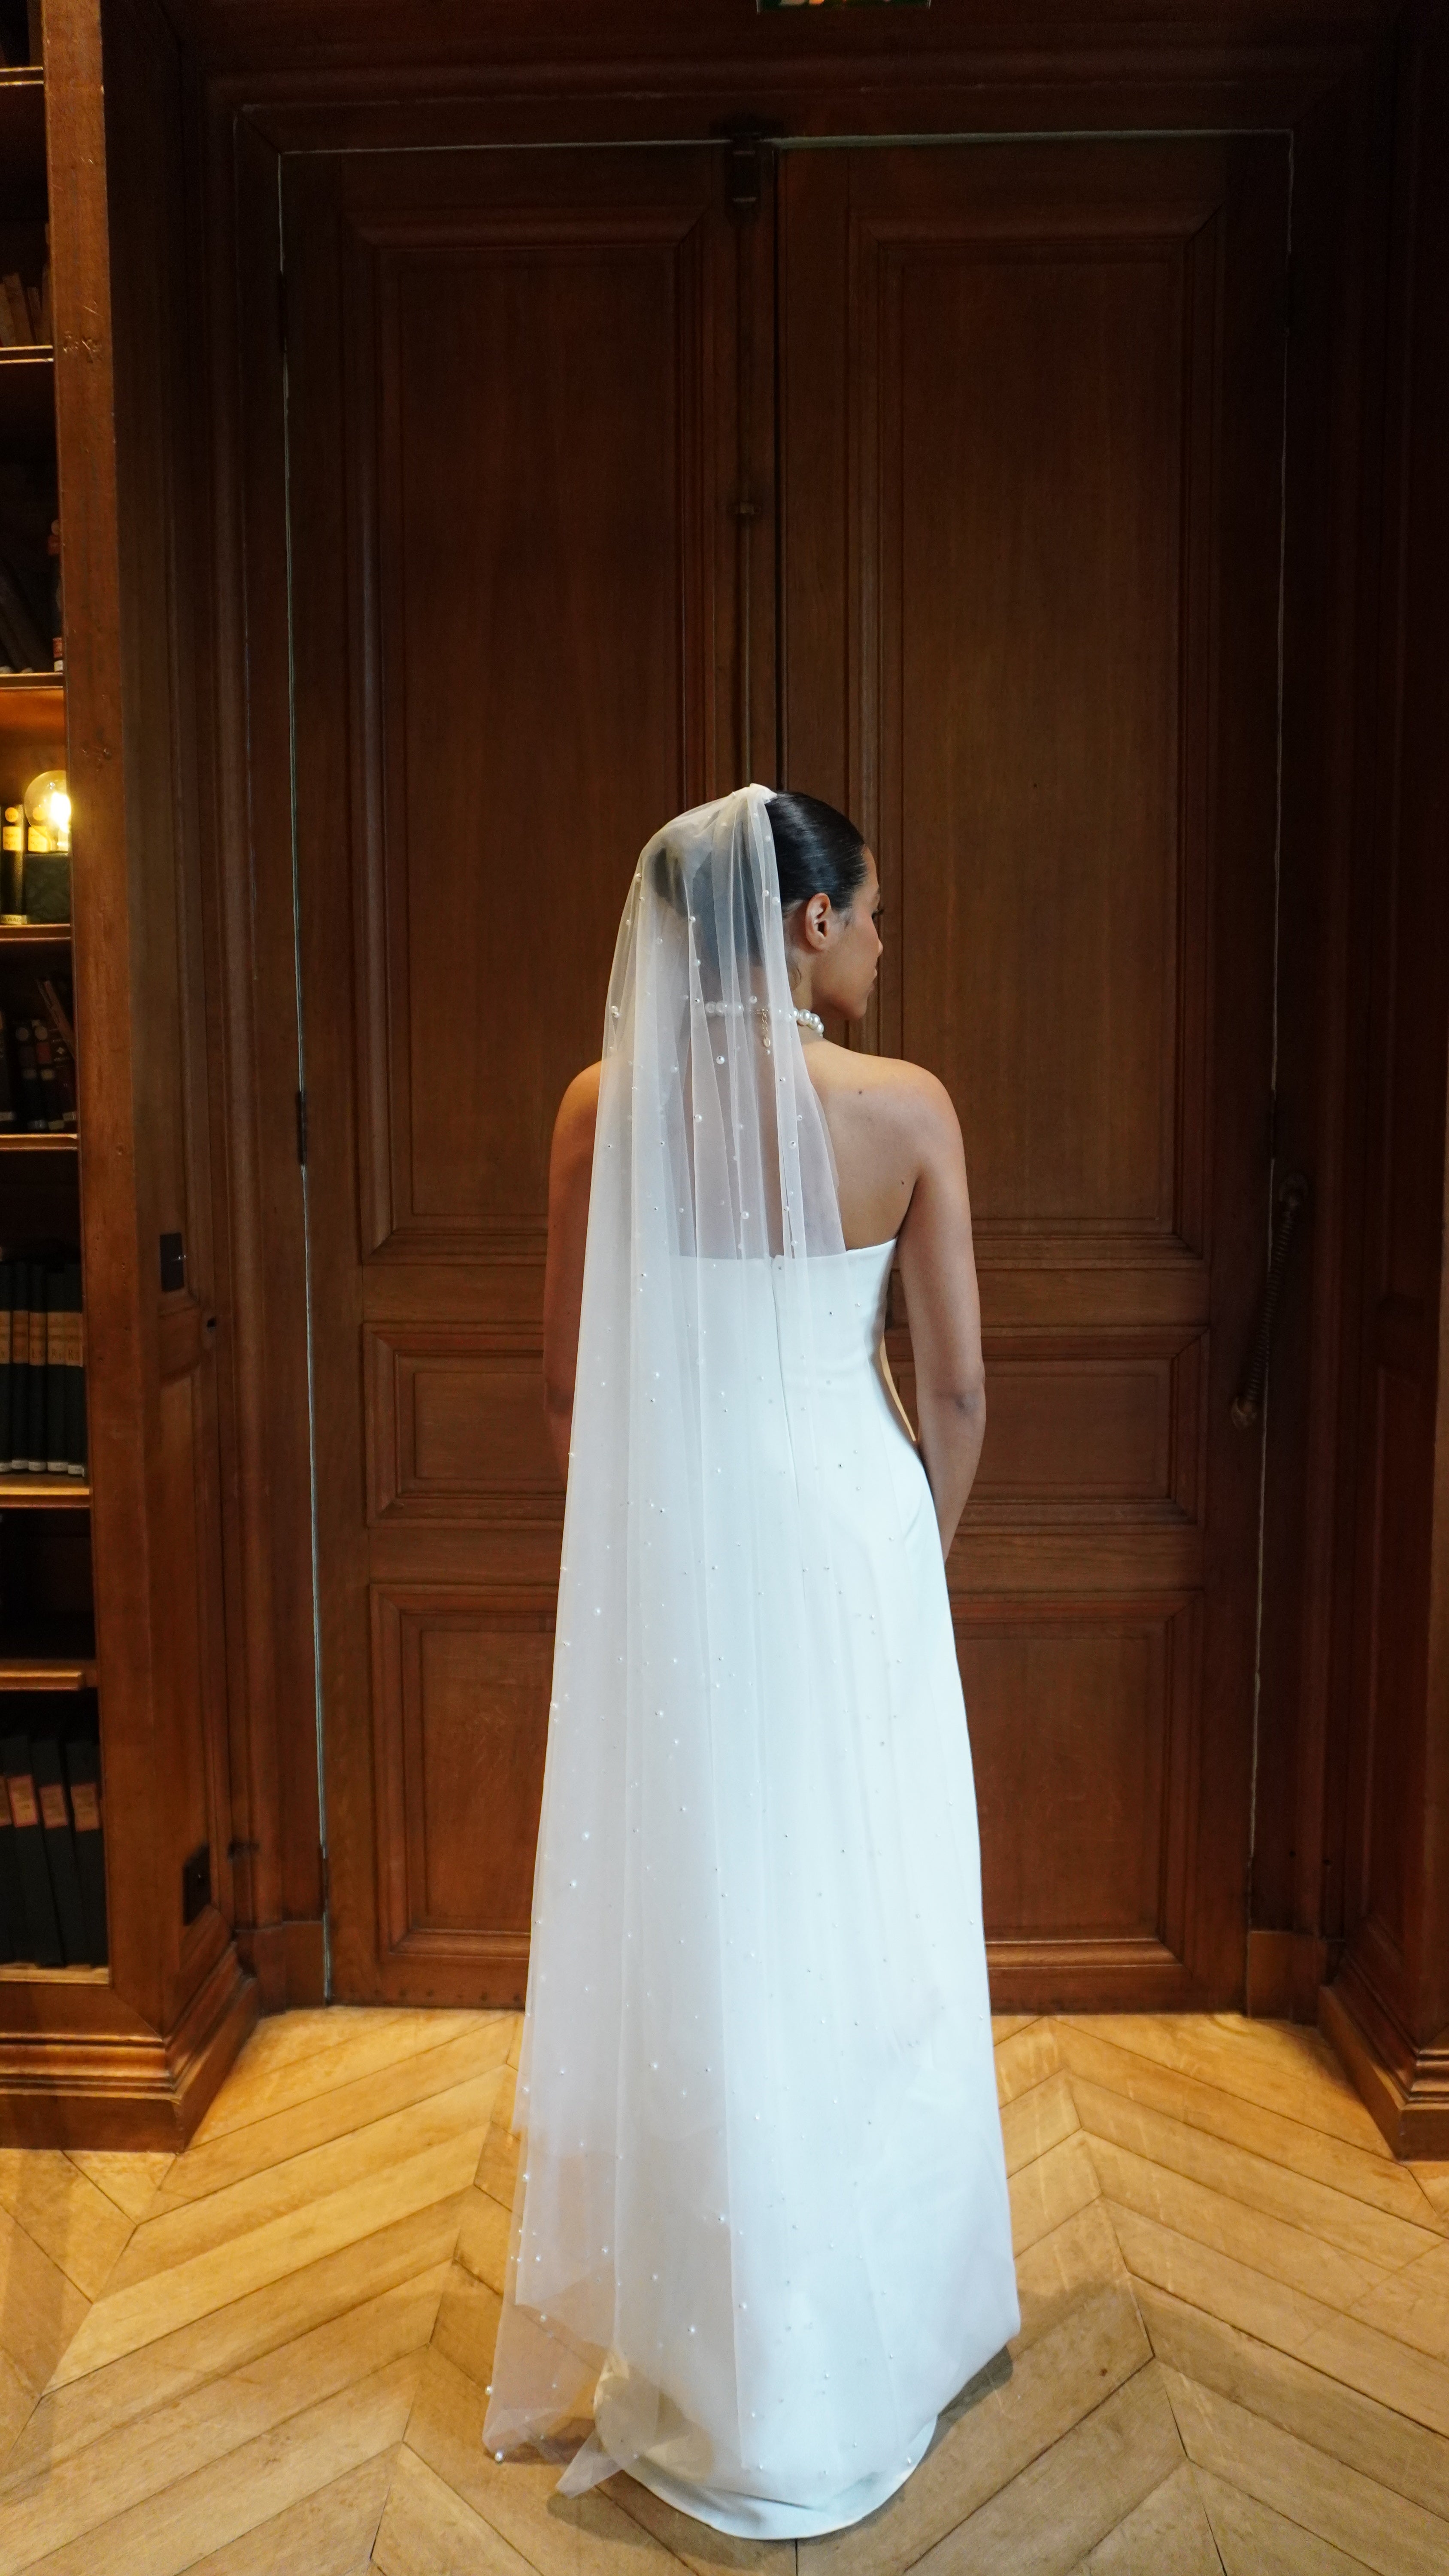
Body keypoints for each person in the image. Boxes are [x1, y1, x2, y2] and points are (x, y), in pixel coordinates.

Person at [481, 784, 1019, 2537]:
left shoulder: (600, 1109)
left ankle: (714, 2358)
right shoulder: (904, 1108)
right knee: (864, 1919)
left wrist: (644, 1565)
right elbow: (955, 1392)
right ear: (804, 923)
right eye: (871, 913)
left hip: (682, 1553)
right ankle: (863, 2344)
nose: (882, 943)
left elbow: (569, 1389)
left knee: (707, 1922)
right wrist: (905, 1568)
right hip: (851, 1542)